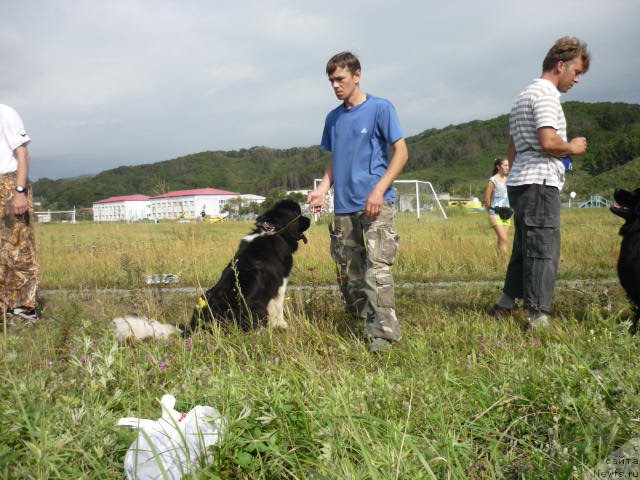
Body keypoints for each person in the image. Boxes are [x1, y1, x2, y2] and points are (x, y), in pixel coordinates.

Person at [307, 51, 409, 352]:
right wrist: (323, 188)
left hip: (375, 205)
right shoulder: (333, 118)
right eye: (331, 81)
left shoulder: (380, 108)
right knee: (349, 276)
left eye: (340, 79)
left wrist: (378, 190)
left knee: (377, 271)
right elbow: (334, 159)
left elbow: (401, 152)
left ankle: (385, 335)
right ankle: (363, 325)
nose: (336, 85)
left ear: (357, 75)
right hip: (344, 208)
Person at [488, 36, 590, 328]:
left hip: (521, 179)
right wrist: (572, 146)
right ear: (561, 65)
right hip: (540, 181)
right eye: (577, 72)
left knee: (524, 244)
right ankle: (538, 313)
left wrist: (511, 177)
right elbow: (547, 140)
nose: (577, 79)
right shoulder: (546, 95)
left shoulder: (524, 94)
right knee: (544, 246)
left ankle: (506, 302)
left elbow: (512, 145)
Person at [0, 104, 39, 322]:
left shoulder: (4, 112)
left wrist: (19, 191)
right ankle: (4, 306)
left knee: (18, 247)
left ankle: (24, 308)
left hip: (8, 183)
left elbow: (22, 154)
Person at [483, 157, 511, 257]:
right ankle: (503, 261)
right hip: (495, 213)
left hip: (507, 213)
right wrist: (490, 211)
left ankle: (500, 263)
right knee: (504, 239)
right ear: (498, 167)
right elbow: (486, 197)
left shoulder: (509, 180)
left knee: (502, 240)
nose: (507, 167)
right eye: (505, 165)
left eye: (508, 165)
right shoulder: (492, 180)